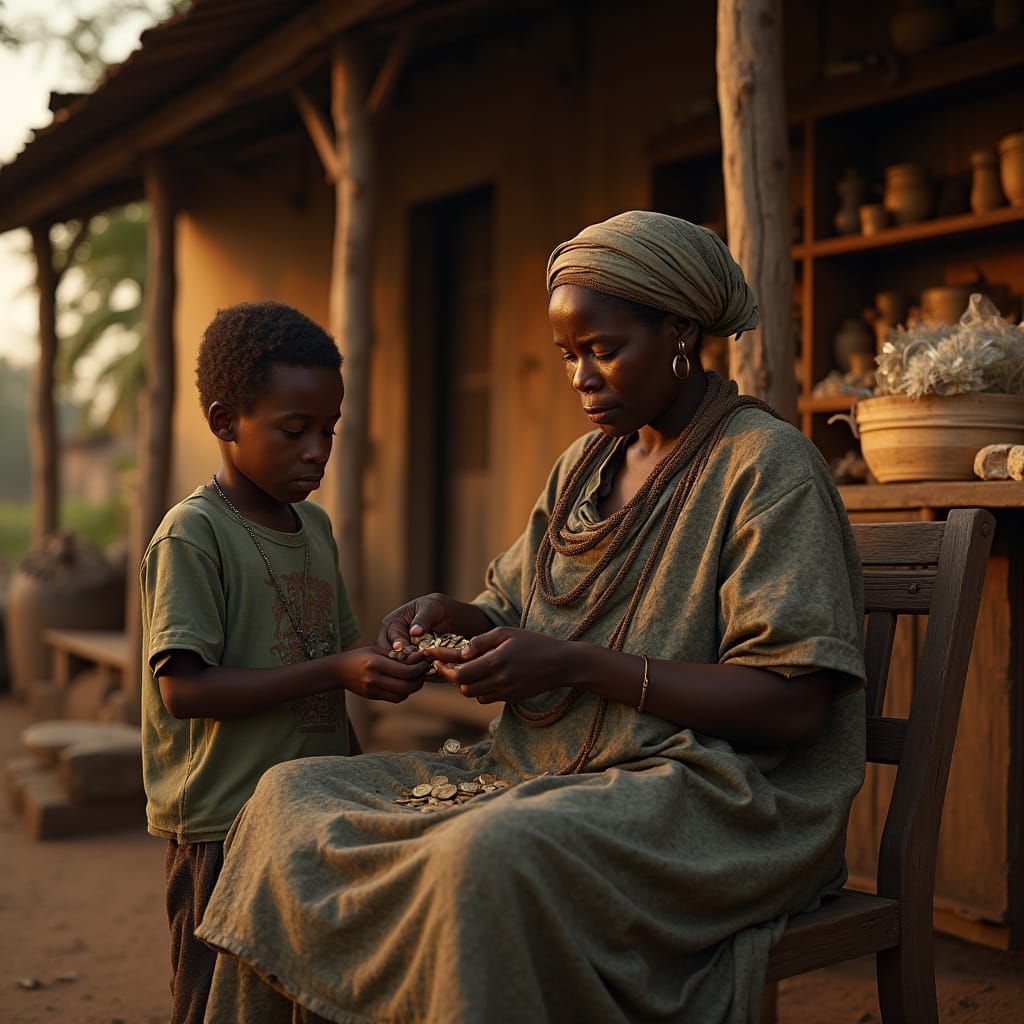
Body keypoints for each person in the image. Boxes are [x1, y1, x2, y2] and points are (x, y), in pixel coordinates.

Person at [195, 214, 866, 1024]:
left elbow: (793, 704)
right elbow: (512, 607)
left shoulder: (766, 467)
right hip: (542, 766)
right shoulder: (586, 465)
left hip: (710, 800)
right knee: (286, 800)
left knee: (484, 856)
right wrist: (453, 616)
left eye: (604, 349)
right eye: (567, 355)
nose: (581, 376)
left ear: (681, 332)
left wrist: (573, 664)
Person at [140, 301, 429, 1024]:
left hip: (307, 812)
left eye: (329, 431)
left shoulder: (317, 528)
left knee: (302, 992)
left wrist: (371, 714)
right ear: (223, 420)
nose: (317, 452)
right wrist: (336, 671)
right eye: (293, 430)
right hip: (222, 823)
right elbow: (183, 689)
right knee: (217, 1000)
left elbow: (333, 664)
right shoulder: (194, 534)